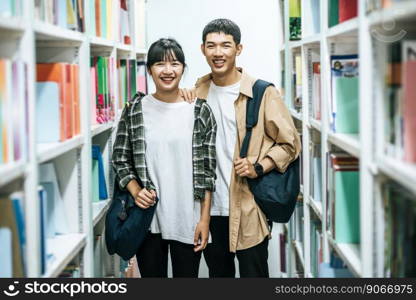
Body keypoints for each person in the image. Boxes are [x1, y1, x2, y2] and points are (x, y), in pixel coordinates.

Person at [183, 19, 301, 277]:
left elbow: (290, 144)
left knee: (254, 277)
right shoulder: (196, 92)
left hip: (249, 207)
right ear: (202, 49)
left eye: (226, 45)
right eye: (211, 46)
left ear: (239, 49)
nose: (218, 53)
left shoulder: (262, 92)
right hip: (209, 210)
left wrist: (259, 166)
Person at [112, 38, 217, 278]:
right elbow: (120, 157)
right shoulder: (135, 109)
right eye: (160, 64)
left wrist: (204, 220)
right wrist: (136, 190)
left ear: (183, 68)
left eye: (175, 64)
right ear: (149, 70)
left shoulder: (200, 110)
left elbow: (208, 172)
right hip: (148, 220)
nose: (168, 71)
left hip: (188, 219)